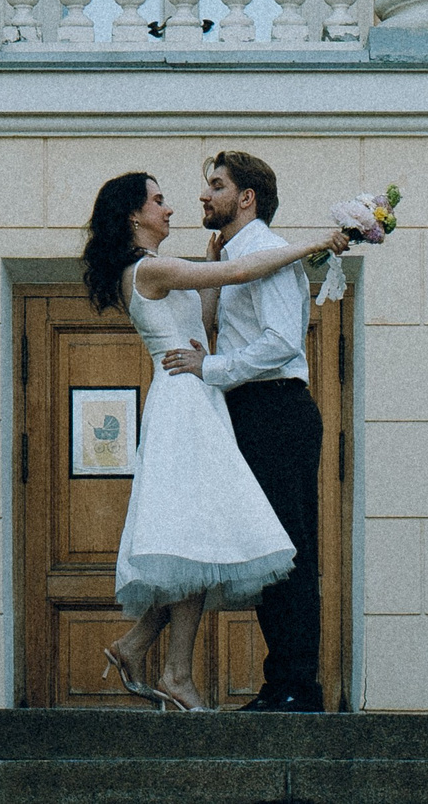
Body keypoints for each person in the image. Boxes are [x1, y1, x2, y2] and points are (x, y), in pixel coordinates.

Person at [82, 172, 348, 712]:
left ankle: (144, 651)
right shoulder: (149, 268)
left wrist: (209, 277)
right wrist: (319, 241)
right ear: (134, 215)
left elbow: (203, 326)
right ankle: (171, 671)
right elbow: (245, 268)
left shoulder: (158, 270)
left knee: (199, 535)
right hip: (185, 401)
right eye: (159, 201)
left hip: (198, 395)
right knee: (196, 536)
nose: (171, 209)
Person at [159, 150, 327, 712]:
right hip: (251, 411)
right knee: (267, 547)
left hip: (276, 409)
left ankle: (296, 688)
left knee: (289, 551)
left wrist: (211, 369)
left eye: (216, 185)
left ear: (246, 198)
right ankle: (283, 683)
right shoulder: (235, 256)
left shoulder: (265, 254)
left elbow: (282, 341)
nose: (204, 196)